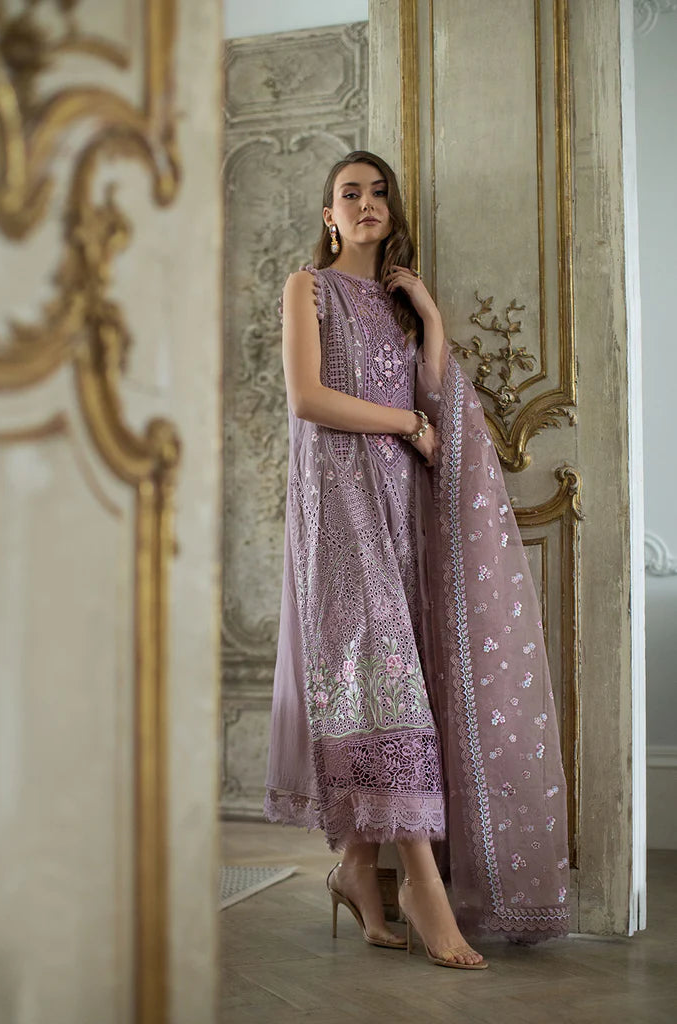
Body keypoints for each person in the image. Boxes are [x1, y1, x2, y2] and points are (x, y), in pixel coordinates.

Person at [264, 150, 570, 969]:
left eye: (378, 193)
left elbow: (434, 395)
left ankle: (357, 870)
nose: (365, 202)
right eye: (348, 194)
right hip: (337, 505)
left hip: (402, 510)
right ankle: (422, 887)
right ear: (329, 215)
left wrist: (429, 318)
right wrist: (404, 426)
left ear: (392, 211)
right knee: (381, 674)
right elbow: (307, 398)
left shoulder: (398, 307)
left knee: (393, 677)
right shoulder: (308, 287)